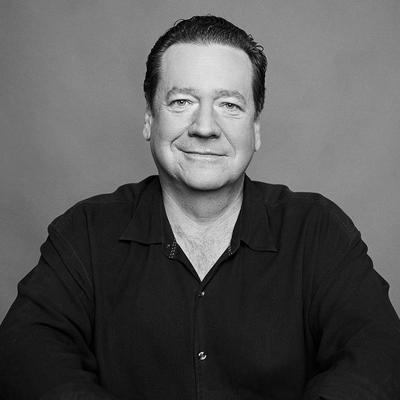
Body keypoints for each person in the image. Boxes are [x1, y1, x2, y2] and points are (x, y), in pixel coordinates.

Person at [0, 15, 399, 400]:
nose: (205, 127)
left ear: (255, 128)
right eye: (182, 101)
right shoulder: (85, 231)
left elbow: (379, 353)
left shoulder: (316, 230)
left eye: (229, 105)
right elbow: (27, 354)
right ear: (149, 119)